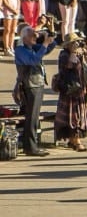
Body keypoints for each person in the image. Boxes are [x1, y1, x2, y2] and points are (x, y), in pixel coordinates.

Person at [13, 26, 61, 156]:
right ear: (24, 38)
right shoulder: (20, 50)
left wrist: (48, 33)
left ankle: (32, 145)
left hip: (37, 84)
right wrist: (44, 43)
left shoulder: (31, 48)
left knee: (34, 117)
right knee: (32, 117)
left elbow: (51, 45)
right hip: (30, 86)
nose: (35, 37)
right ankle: (31, 147)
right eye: (32, 36)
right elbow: (33, 60)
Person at [53, 35, 87, 152]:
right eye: (74, 43)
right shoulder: (64, 55)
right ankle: (76, 141)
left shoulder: (81, 54)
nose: (77, 45)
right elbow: (66, 70)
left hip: (81, 90)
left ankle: (73, 140)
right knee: (74, 117)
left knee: (81, 115)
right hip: (70, 91)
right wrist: (73, 54)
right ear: (68, 45)